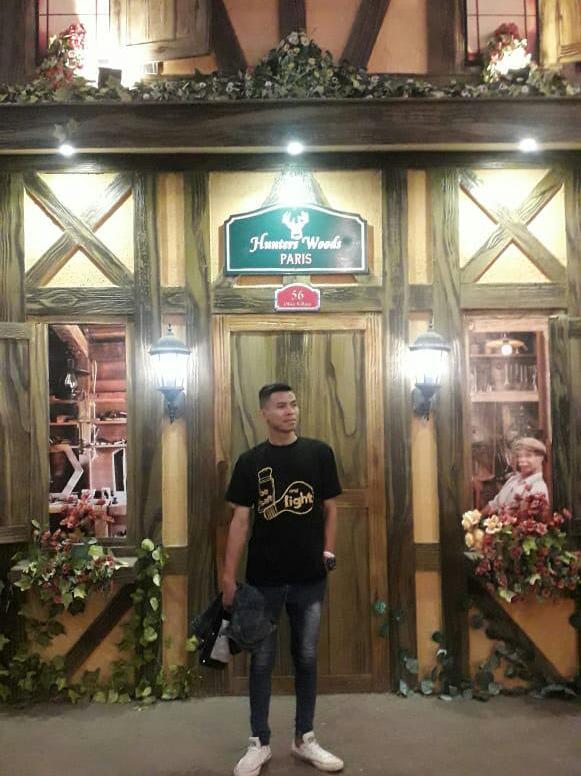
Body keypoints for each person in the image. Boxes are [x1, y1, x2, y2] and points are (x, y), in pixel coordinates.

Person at [223, 382, 344, 776]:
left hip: (310, 579)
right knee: (261, 662)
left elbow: (331, 508)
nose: (290, 411)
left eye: (293, 404)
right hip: (263, 581)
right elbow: (240, 521)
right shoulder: (250, 462)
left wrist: (328, 551)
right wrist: (228, 575)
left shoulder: (319, 453)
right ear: (264, 413)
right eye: (280, 406)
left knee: (306, 658)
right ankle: (259, 742)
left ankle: (304, 738)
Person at [480, 437, 549, 516]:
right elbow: (494, 504)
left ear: (541, 458)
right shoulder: (513, 479)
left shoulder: (539, 489)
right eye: (519, 456)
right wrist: (475, 518)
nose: (521, 460)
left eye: (528, 456)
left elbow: (526, 522)